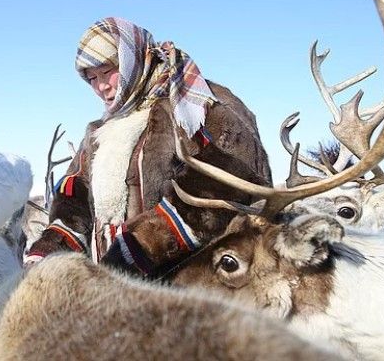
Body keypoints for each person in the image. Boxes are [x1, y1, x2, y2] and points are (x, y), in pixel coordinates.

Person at [25, 17, 272, 277]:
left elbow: (232, 184)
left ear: (131, 59)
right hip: (113, 287)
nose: (101, 86)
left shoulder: (196, 104)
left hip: (193, 287)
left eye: (108, 71)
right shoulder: (102, 131)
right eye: (91, 78)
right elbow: (76, 195)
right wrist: (50, 247)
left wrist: (139, 248)